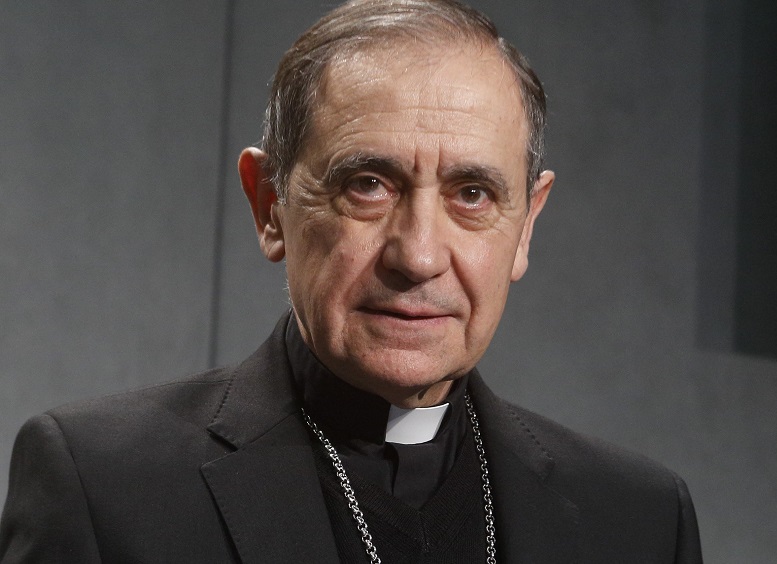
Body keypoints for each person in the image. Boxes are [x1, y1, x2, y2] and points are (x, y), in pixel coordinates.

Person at [0, 0, 702, 562]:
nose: (419, 256)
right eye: (368, 185)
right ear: (270, 204)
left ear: (526, 226)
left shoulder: (639, 522)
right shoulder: (105, 488)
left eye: (473, 195)